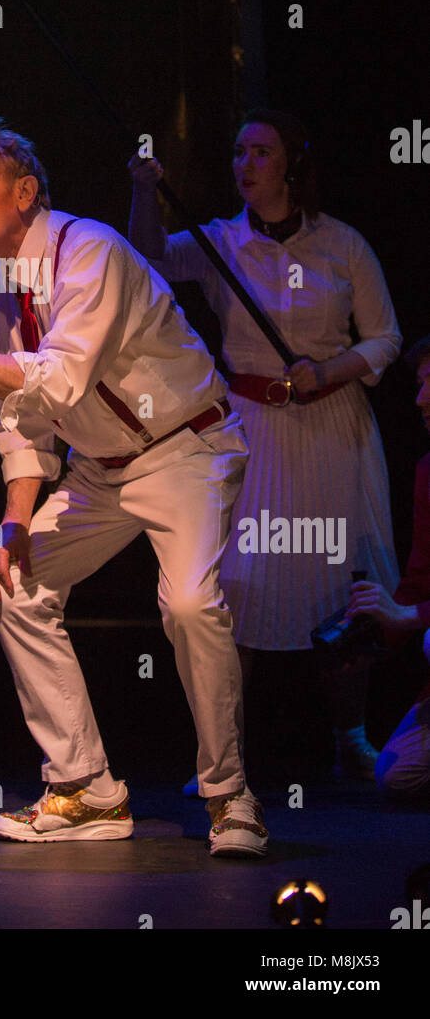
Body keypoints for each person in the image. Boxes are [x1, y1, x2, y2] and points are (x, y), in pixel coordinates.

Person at [0, 116, 269, 856]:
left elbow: (59, 375)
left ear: (25, 190)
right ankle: (86, 789)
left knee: (186, 604)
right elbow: (18, 413)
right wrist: (15, 523)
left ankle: (230, 794)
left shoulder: (92, 250)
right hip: (100, 472)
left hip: (184, 448)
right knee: (14, 585)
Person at [127, 110, 401, 780]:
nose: (244, 164)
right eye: (238, 152)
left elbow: (386, 338)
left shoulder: (342, 246)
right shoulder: (221, 242)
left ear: (290, 166)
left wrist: (327, 371)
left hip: (331, 428)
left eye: (260, 152)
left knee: (342, 590)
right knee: (233, 589)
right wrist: (142, 188)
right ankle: (225, 754)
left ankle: (350, 738)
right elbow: (148, 256)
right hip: (247, 430)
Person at [348, 336, 430, 796]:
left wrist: (413, 618)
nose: (421, 399)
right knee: (399, 774)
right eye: (420, 384)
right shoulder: (427, 471)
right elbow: (420, 582)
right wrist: (374, 637)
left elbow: (418, 610)